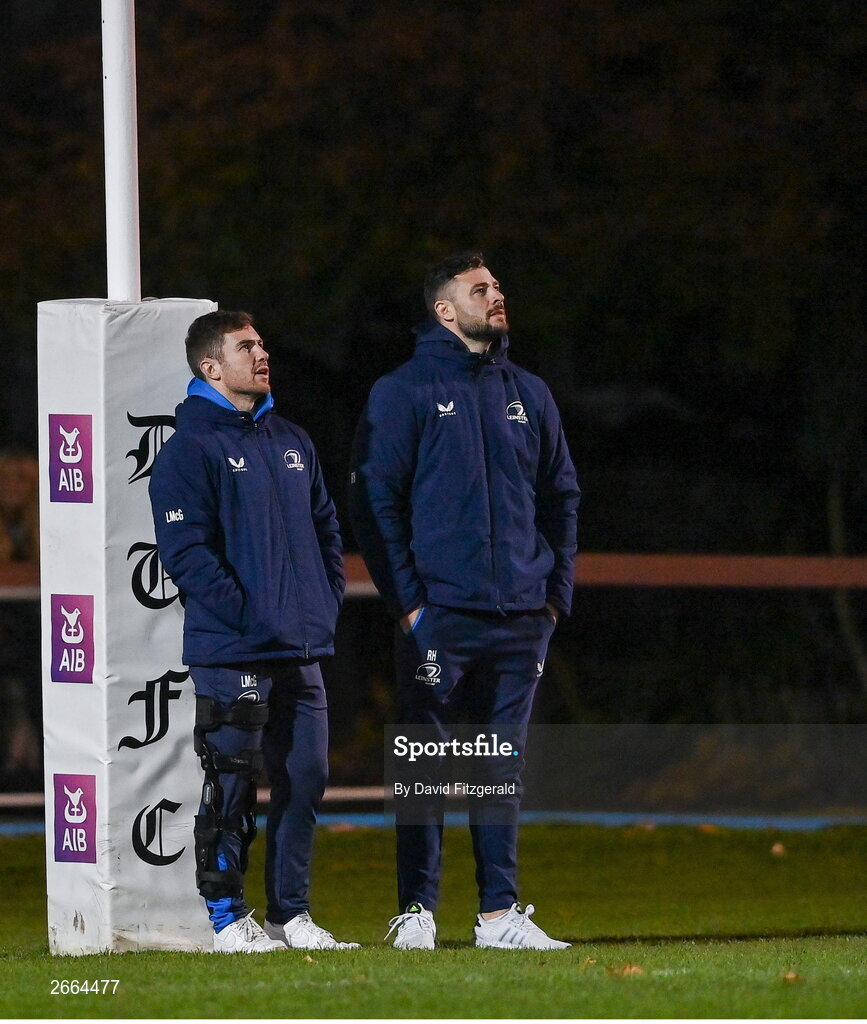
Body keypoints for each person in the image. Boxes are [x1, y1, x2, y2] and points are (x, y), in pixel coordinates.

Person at [350, 252, 580, 950]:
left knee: (497, 767)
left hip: (519, 615)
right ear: (445, 310)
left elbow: (560, 496)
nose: (497, 295)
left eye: (498, 286)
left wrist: (551, 597)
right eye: (480, 289)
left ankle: (498, 916)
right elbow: (372, 500)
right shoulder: (402, 391)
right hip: (440, 616)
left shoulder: (528, 392)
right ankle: (416, 912)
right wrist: (411, 607)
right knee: (423, 763)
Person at [149, 310, 358, 953]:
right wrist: (248, 615)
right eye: (246, 347)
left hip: (300, 645)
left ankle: (288, 915)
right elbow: (187, 556)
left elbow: (327, 529)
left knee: (306, 776)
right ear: (211, 367)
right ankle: (225, 916)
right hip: (233, 647)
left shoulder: (292, 439)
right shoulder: (189, 450)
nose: (262, 354)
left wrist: (322, 602)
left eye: (263, 343)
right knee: (232, 780)